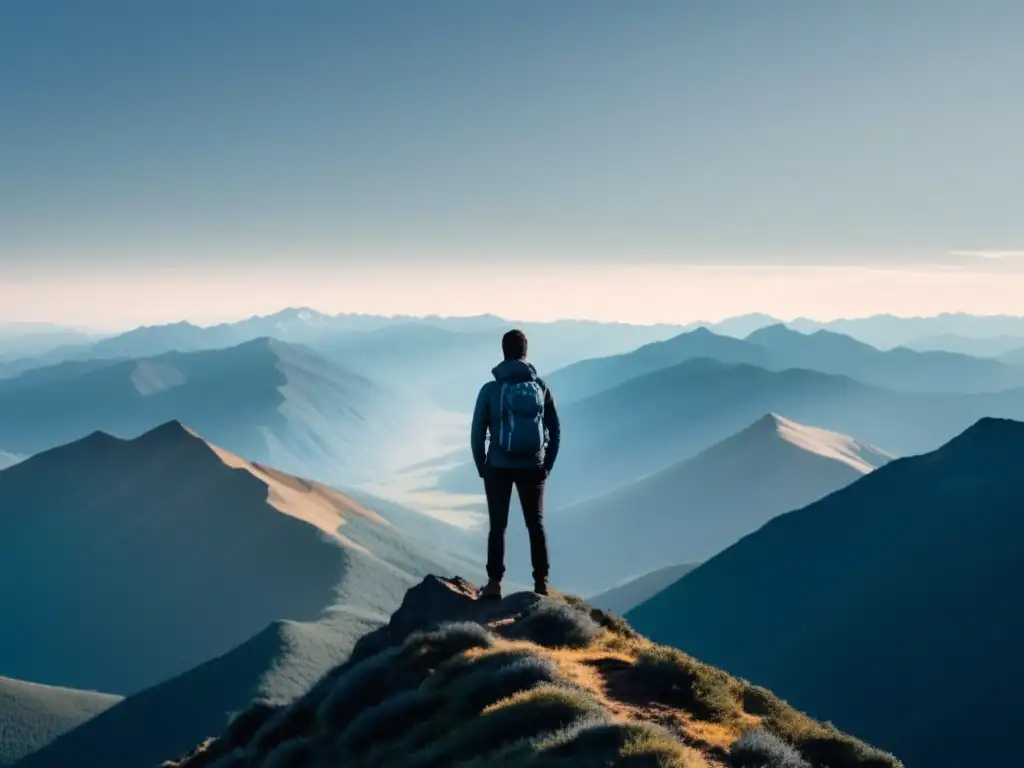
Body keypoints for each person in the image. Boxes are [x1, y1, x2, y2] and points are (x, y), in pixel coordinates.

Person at [471, 329, 561, 599]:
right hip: (533, 466)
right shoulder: (541, 388)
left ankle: (494, 583)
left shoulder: (490, 390)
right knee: (535, 523)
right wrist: (548, 464)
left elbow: (477, 433)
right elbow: (555, 429)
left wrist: (482, 467)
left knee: (498, 525)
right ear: (525, 352)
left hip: (498, 467)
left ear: (503, 352)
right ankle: (541, 584)